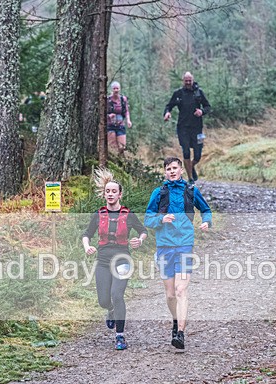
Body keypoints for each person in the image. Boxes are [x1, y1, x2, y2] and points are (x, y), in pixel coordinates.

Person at [145, 156, 213, 350]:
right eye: (168, 169)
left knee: (180, 290)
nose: (172, 171)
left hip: (185, 245)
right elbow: (148, 219)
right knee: (170, 295)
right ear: (165, 172)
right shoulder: (158, 193)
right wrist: (161, 219)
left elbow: (205, 209)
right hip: (165, 246)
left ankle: (181, 334)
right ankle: (175, 320)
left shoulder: (191, 191)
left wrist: (206, 221)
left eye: (174, 168)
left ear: (181, 170)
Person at [82, 168, 147, 350]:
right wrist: (88, 246)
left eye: (113, 191)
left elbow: (143, 231)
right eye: (107, 191)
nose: (110, 194)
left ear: (120, 194)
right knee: (104, 300)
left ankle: (120, 336)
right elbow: (86, 234)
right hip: (103, 261)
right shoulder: (99, 214)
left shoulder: (128, 214)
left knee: (117, 295)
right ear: (104, 194)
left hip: (122, 259)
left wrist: (139, 241)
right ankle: (110, 310)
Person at [163, 72, 211, 183]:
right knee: (186, 152)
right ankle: (190, 178)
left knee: (198, 155)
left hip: (197, 128)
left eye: (190, 80)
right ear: (183, 81)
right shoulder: (178, 93)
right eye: (186, 81)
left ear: (193, 80)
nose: (188, 83)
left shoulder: (199, 92)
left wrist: (202, 111)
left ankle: (191, 166)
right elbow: (169, 106)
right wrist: (167, 113)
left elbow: (208, 106)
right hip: (183, 128)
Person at [106, 81, 132, 156]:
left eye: (117, 88)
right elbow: (102, 112)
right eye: (114, 88)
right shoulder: (108, 100)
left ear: (119, 89)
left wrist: (128, 120)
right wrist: (109, 116)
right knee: (112, 146)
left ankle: (121, 162)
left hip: (121, 125)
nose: (116, 90)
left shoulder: (123, 99)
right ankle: (114, 163)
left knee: (122, 147)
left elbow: (126, 111)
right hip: (110, 125)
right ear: (112, 89)